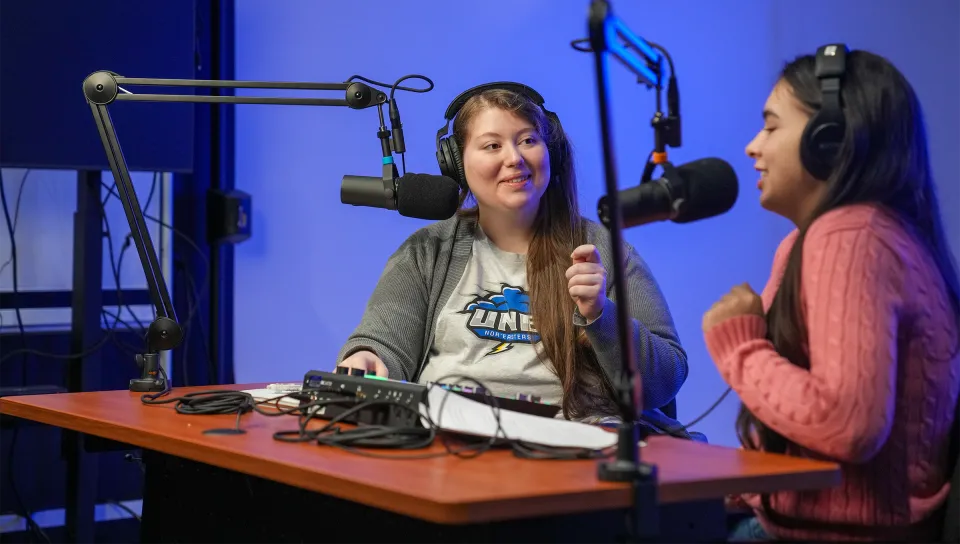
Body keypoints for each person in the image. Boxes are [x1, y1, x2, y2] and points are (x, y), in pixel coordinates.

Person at [704, 44, 960, 541]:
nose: (753, 146)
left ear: (829, 140)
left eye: (772, 126)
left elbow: (848, 424)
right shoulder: (850, 235)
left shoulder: (850, 235)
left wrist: (740, 347)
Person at [335, 81, 688, 426]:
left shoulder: (605, 252)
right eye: (491, 146)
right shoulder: (427, 251)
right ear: (456, 164)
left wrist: (601, 315)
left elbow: (663, 382)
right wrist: (368, 357)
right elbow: (384, 343)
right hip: (444, 443)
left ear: (552, 152)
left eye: (528, 140)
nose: (514, 158)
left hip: (573, 450)